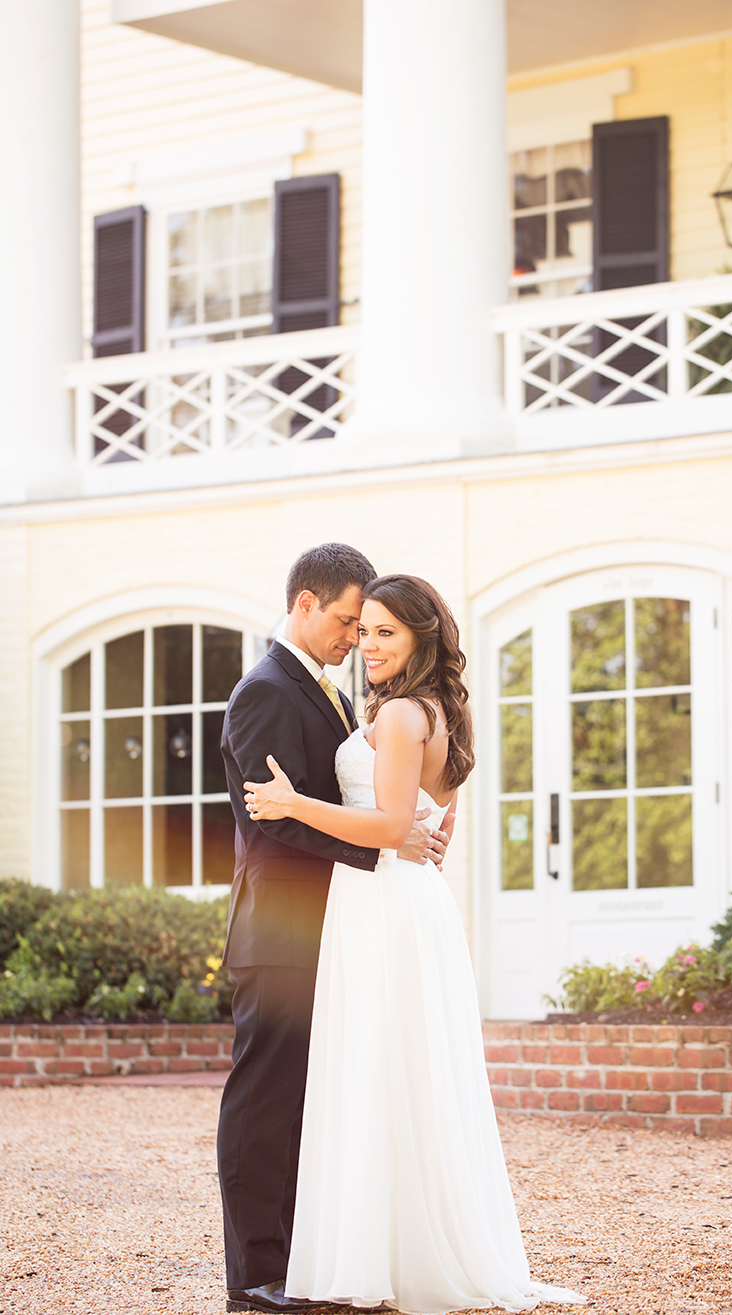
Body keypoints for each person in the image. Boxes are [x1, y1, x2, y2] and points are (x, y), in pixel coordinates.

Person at [244, 574, 586, 1314]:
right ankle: (392, 1246)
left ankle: (376, 1256)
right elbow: (433, 816)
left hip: (383, 900)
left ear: (420, 638)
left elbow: (394, 825)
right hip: (398, 898)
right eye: (360, 629)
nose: (365, 644)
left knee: (377, 1067)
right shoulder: (436, 709)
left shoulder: (400, 714)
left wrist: (290, 800)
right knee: (398, 1070)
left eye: (383, 632)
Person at [218, 545, 450, 1315]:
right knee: (265, 1100)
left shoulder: (332, 693)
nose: (357, 638)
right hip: (282, 933)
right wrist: (383, 839)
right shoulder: (265, 691)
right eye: (350, 621)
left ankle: (306, 1262)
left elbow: (358, 795)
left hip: (340, 926)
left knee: (313, 1104)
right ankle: (255, 1275)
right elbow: (269, 816)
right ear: (306, 604)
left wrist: (404, 829)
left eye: (369, 626)